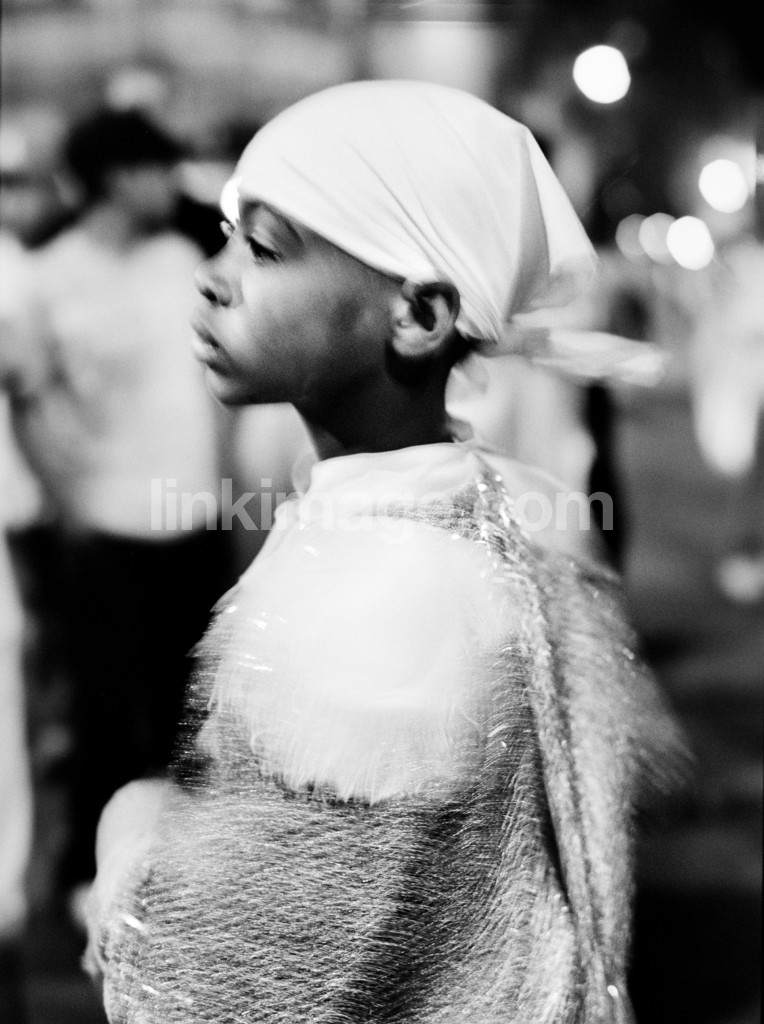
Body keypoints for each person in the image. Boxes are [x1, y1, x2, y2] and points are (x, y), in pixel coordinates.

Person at [85, 81, 685, 1023]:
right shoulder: (475, 512)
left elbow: (229, 989)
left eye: (265, 249)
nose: (213, 277)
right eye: (228, 236)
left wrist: (128, 834)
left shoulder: (387, 604)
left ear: (418, 315)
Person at [4, 108, 235, 909]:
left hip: (195, 511)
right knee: (103, 708)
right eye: (156, 168)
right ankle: (90, 876)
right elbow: (26, 400)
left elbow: (213, 383)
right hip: (105, 521)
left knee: (192, 704)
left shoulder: (182, 259)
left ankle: (187, 870)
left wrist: (227, 479)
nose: (170, 183)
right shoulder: (48, 275)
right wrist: (66, 500)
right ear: (115, 178)